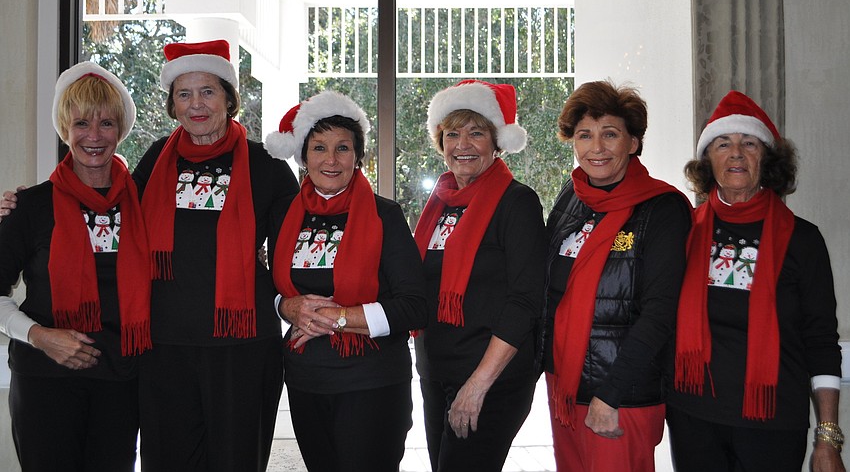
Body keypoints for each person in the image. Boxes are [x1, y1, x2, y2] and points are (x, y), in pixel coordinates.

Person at [132, 40, 299, 471]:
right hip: (165, 345)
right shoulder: (154, 161)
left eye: (207, 91)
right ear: (173, 105)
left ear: (229, 97)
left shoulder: (266, 166)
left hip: (242, 346)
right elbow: (112, 216)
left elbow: (296, 244)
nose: (196, 104)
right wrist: (28, 202)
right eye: (184, 94)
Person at [667, 90, 845, 472]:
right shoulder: (681, 230)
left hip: (774, 422)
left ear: (767, 159)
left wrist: (827, 435)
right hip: (692, 415)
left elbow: (821, 339)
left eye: (749, 143)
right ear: (706, 160)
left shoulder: (803, 239)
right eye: (722, 143)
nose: (735, 153)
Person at [263, 90, 427, 471]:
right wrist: (286, 306)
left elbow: (414, 307)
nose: (331, 160)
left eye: (343, 148)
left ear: (358, 156)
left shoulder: (385, 215)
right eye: (319, 148)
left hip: (372, 383)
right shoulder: (284, 214)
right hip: (305, 380)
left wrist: (336, 318)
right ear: (303, 156)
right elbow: (271, 285)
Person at [0, 62, 151, 471]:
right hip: (44, 380)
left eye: (106, 123)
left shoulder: (144, 205)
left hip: (121, 379)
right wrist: (40, 336)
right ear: (64, 128)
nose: (94, 136)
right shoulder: (30, 206)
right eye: (81, 122)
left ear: (121, 129)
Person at [543, 80, 692, 471]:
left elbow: (660, 312)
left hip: (621, 395)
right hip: (565, 387)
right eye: (584, 135)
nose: (597, 148)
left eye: (610, 134)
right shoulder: (571, 197)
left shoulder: (662, 208)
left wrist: (611, 395)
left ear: (633, 142)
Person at [412, 80, 546, 471]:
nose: (462, 144)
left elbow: (525, 301)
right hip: (438, 373)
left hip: (489, 380)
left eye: (476, 132)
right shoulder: (440, 202)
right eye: (452, 133)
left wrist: (477, 385)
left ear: (496, 141)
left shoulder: (516, 202)